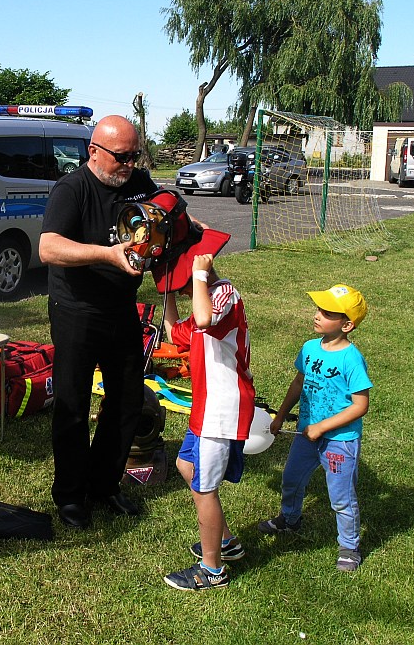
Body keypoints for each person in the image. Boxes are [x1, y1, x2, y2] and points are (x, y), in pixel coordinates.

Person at [39, 114, 158, 528]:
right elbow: (49, 248)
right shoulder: (72, 189)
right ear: (94, 151)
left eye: (134, 155)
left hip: (121, 309)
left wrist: (183, 225)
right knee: (72, 404)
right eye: (121, 157)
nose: (128, 165)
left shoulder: (138, 183)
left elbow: (162, 214)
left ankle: (104, 485)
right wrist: (106, 254)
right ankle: (70, 496)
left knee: (126, 400)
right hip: (76, 311)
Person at [157, 247, 255, 591]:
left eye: (185, 286)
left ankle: (212, 570)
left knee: (204, 488)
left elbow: (202, 319)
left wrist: (199, 274)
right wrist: (167, 291)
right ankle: (226, 542)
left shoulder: (224, 293)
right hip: (205, 407)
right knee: (187, 467)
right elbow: (175, 332)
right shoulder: (201, 298)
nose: (186, 293)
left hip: (223, 408)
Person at [258, 284, 372, 572]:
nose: (318, 315)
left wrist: (322, 427)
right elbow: (298, 384)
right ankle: (290, 519)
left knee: (341, 498)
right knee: (291, 480)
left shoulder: (351, 358)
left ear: (346, 325)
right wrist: (281, 415)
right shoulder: (309, 348)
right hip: (306, 435)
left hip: (339, 441)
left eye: (327, 312)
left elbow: (360, 406)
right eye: (319, 309)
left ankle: (349, 546)